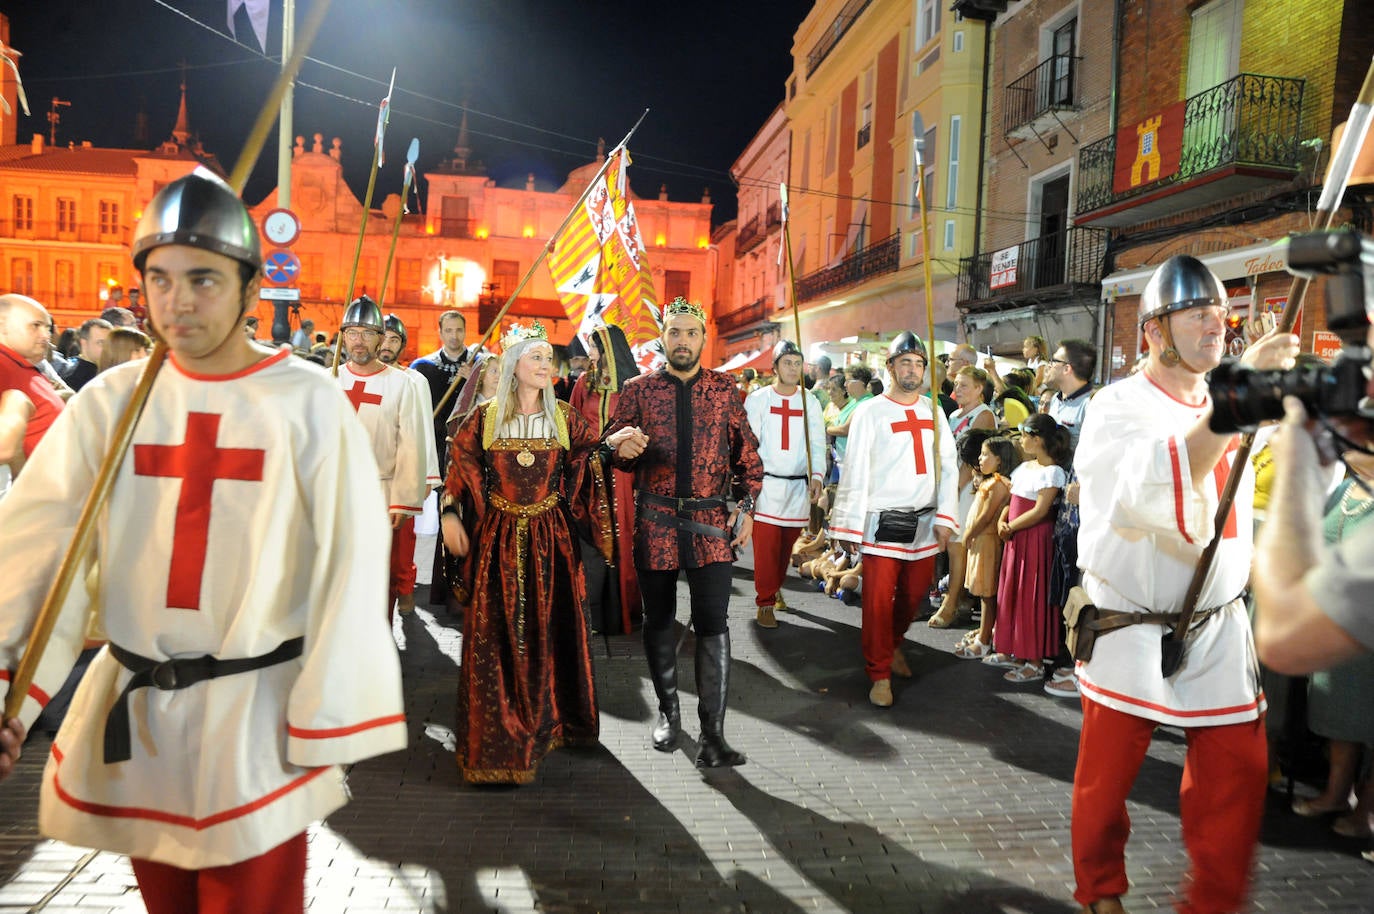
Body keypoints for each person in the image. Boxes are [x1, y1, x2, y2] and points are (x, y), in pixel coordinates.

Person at [0, 169, 406, 913]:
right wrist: (8, 694)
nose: (177, 302)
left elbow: (350, 565)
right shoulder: (111, 404)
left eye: (203, 280)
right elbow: (36, 553)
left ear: (251, 289)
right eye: (158, 278)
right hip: (141, 718)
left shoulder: (307, 403)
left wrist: (329, 709)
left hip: (253, 721)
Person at [1070, 254, 1299, 914]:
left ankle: (1212, 905)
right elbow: (1153, 487)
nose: (1216, 326)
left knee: (1241, 771)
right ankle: (1100, 890)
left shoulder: (1233, 397)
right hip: (1131, 624)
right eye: (1198, 314)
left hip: (1221, 624)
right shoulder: (1117, 407)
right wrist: (1241, 391)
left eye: (1220, 316)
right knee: (1105, 782)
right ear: (1154, 331)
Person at [441, 321, 634, 784]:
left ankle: (554, 723)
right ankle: (499, 739)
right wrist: (450, 515)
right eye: (537, 358)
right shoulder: (483, 419)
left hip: (553, 542)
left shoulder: (564, 417)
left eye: (549, 359)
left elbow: (589, 459)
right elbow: (459, 471)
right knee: (498, 637)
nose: (547, 365)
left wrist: (615, 445)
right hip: (496, 542)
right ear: (513, 365)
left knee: (552, 631)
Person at [603, 297, 762, 768]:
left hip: (711, 524)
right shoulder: (637, 389)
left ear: (702, 338)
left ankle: (713, 733)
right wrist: (620, 446)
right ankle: (669, 714)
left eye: (691, 333)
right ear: (664, 337)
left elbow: (747, 457)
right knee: (658, 620)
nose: (683, 340)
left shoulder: (725, 387)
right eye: (675, 332)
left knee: (714, 623)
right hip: (654, 521)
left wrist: (748, 506)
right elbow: (613, 448)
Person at [829, 331, 959, 708]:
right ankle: (879, 673)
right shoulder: (870, 411)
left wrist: (947, 516)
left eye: (919, 364)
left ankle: (894, 643)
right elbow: (855, 470)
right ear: (890, 367)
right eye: (906, 362)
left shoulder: (933, 412)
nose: (913, 370)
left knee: (914, 596)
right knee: (877, 603)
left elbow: (948, 467)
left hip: (925, 521)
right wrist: (850, 525)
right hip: (881, 521)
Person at [336, 297, 431, 620]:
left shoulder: (401, 384)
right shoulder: (327, 379)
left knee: (376, 577)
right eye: (352, 333)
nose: (358, 341)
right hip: (335, 494)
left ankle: (374, 649)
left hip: (380, 491)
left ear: (380, 337)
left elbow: (410, 445)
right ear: (343, 336)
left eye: (366, 333)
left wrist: (403, 501)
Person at [745, 339, 826, 628]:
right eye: (787, 362)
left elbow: (817, 442)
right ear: (775, 366)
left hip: (796, 488)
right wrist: (747, 481)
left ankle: (774, 586)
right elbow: (749, 443)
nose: (793, 368)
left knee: (785, 547)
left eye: (797, 363)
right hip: (766, 486)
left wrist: (817, 476)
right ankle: (764, 602)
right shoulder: (758, 400)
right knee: (766, 547)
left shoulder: (810, 401)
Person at [984, 413, 1070, 683]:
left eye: (1024, 436)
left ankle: (1033, 660)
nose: (1020, 442)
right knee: (1012, 592)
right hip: (1016, 537)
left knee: (1030, 596)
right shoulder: (1025, 468)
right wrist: (1002, 519)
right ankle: (1014, 650)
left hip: (1034, 540)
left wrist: (1011, 526)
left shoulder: (1053, 472)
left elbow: (1041, 511)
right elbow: (1013, 500)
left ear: (1037, 439)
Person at [569, 323, 642, 635]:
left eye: (596, 347)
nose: (591, 354)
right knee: (590, 539)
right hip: (588, 471)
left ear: (610, 348)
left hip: (622, 475)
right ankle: (592, 612)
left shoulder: (633, 387)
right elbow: (571, 419)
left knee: (623, 538)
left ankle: (623, 611)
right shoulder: (585, 382)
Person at [953, 433, 1016, 660]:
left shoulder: (999, 484)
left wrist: (969, 533)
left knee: (988, 592)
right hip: (981, 542)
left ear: (999, 460)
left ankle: (984, 640)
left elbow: (987, 515)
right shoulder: (989, 482)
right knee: (983, 592)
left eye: (985, 454)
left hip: (987, 541)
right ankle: (985, 631)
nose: (980, 459)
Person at [0, 295, 66, 481]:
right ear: (2, 325)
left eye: (48, 327)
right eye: (35, 326)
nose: (46, 335)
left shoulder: (18, 364)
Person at [60, 318, 113, 391]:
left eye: (110, 343)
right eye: (101, 343)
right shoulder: (74, 379)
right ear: (84, 343)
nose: (108, 348)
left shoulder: (106, 372)